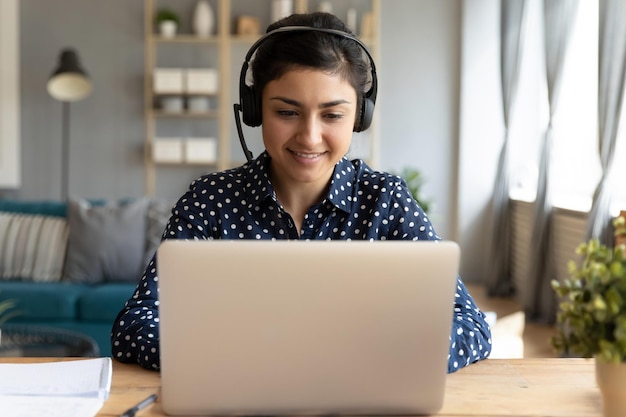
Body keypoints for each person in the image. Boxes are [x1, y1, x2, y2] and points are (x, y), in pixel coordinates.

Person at [111, 12, 491, 374]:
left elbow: (468, 324)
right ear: (254, 109)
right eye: (287, 112)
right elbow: (135, 325)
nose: (310, 137)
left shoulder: (384, 202)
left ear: (361, 116)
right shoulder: (209, 202)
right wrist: (249, 359)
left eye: (332, 115)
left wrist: (374, 356)